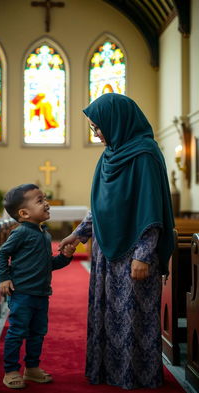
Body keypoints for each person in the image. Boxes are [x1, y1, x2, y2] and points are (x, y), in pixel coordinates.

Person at [59, 93, 175, 389]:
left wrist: (144, 254)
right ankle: (108, 372)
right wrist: (78, 234)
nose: (96, 134)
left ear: (116, 122)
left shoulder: (145, 154)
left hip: (134, 254)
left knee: (134, 319)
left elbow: (151, 209)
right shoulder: (109, 155)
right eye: (93, 129)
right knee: (108, 316)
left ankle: (136, 377)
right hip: (105, 252)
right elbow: (101, 207)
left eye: (97, 127)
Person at [0, 183, 75, 389]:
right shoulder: (21, 232)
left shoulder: (44, 234)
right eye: (40, 201)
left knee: (37, 332)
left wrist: (65, 258)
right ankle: (11, 370)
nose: (47, 203)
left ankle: (31, 368)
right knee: (17, 332)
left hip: (41, 294)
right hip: (22, 293)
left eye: (45, 199)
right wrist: (4, 278)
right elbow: (2, 254)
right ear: (24, 213)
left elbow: (48, 264)